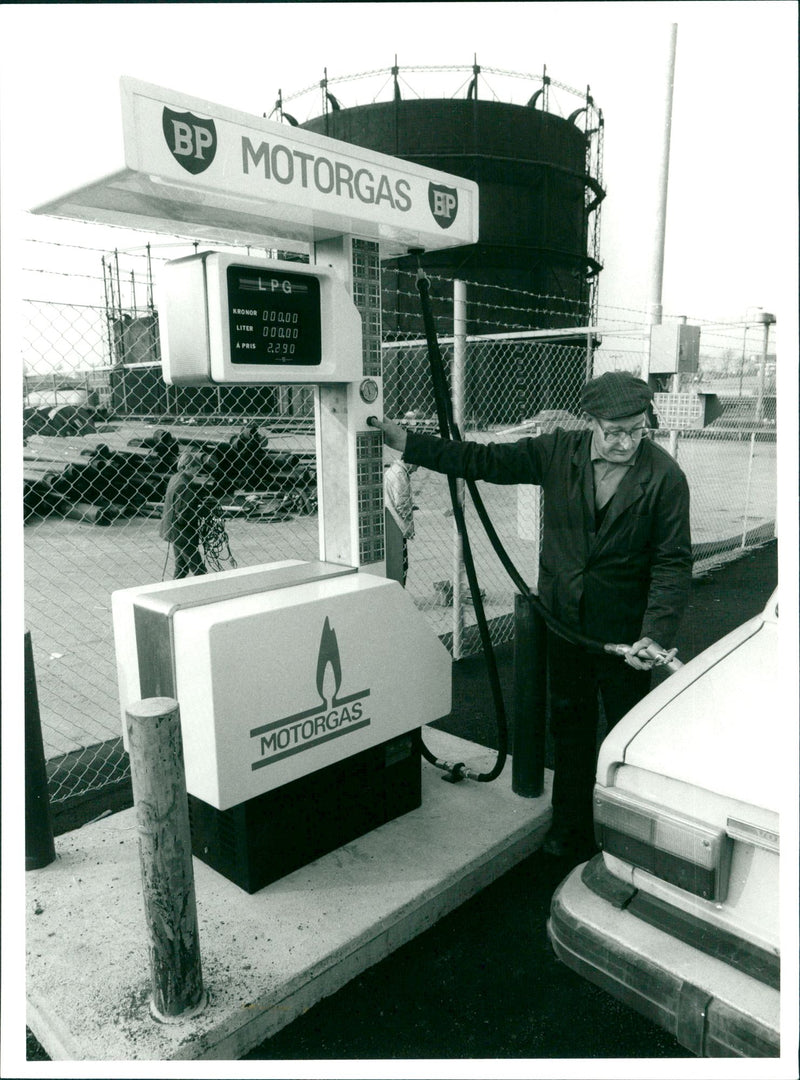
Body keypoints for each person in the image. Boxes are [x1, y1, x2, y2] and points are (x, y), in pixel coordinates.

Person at [369, 371, 692, 862]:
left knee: (629, 736)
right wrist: (409, 443)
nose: (627, 441)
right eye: (614, 430)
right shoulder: (558, 451)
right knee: (570, 727)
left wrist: (655, 632)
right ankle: (571, 829)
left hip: (627, 636)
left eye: (637, 430)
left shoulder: (665, 477)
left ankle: (626, 838)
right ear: (591, 423)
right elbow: (483, 460)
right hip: (564, 624)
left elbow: (672, 561)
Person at [158, 449, 216, 579]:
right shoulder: (184, 485)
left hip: (172, 531)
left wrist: (196, 498)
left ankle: (173, 591)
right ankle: (208, 592)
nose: (198, 472)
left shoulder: (175, 478)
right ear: (189, 467)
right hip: (182, 534)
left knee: (181, 568)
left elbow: (180, 503)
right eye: (196, 468)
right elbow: (184, 517)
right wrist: (204, 510)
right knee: (199, 570)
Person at [384, 458, 418, 587]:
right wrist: (409, 527)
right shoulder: (400, 474)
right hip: (398, 523)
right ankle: (399, 590)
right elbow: (402, 504)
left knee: (396, 562)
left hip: (391, 520)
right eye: (417, 466)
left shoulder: (393, 470)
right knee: (402, 564)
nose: (416, 469)